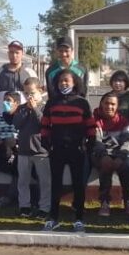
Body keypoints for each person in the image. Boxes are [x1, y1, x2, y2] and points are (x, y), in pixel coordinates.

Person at [40, 70, 96, 232]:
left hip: (77, 149)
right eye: (60, 81)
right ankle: (53, 218)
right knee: (55, 185)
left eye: (67, 81)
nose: (63, 84)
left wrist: (89, 144)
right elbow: (45, 124)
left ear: (74, 83)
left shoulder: (82, 103)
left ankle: (79, 219)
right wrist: (46, 143)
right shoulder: (52, 102)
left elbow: (90, 126)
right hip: (56, 149)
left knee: (79, 185)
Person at [92, 92, 129, 218]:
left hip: (119, 154)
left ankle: (128, 199)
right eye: (106, 103)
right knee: (105, 165)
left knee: (126, 165)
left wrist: (120, 156)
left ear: (117, 106)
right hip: (101, 154)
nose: (109, 107)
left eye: (113, 104)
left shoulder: (123, 121)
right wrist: (104, 155)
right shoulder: (95, 120)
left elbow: (127, 140)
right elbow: (97, 141)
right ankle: (105, 201)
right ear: (101, 104)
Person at [13, 86, 51, 220]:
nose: (30, 96)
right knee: (23, 180)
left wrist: (34, 108)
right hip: (24, 150)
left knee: (44, 182)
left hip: (41, 151)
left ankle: (44, 207)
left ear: (40, 92)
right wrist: (27, 109)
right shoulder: (22, 108)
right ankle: (25, 206)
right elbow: (16, 123)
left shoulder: (46, 107)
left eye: (33, 93)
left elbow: (43, 123)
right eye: (27, 93)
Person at [0, 40, 37, 118]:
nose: (14, 55)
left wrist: (34, 112)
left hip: (24, 117)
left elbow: (36, 95)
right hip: (1, 116)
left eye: (17, 53)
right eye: (11, 52)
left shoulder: (30, 73)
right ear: (8, 53)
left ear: (22, 54)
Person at [0, 91, 20, 174]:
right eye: (4, 100)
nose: (5, 103)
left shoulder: (22, 119)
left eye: (8, 100)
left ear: (16, 103)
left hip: (18, 153)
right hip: (3, 152)